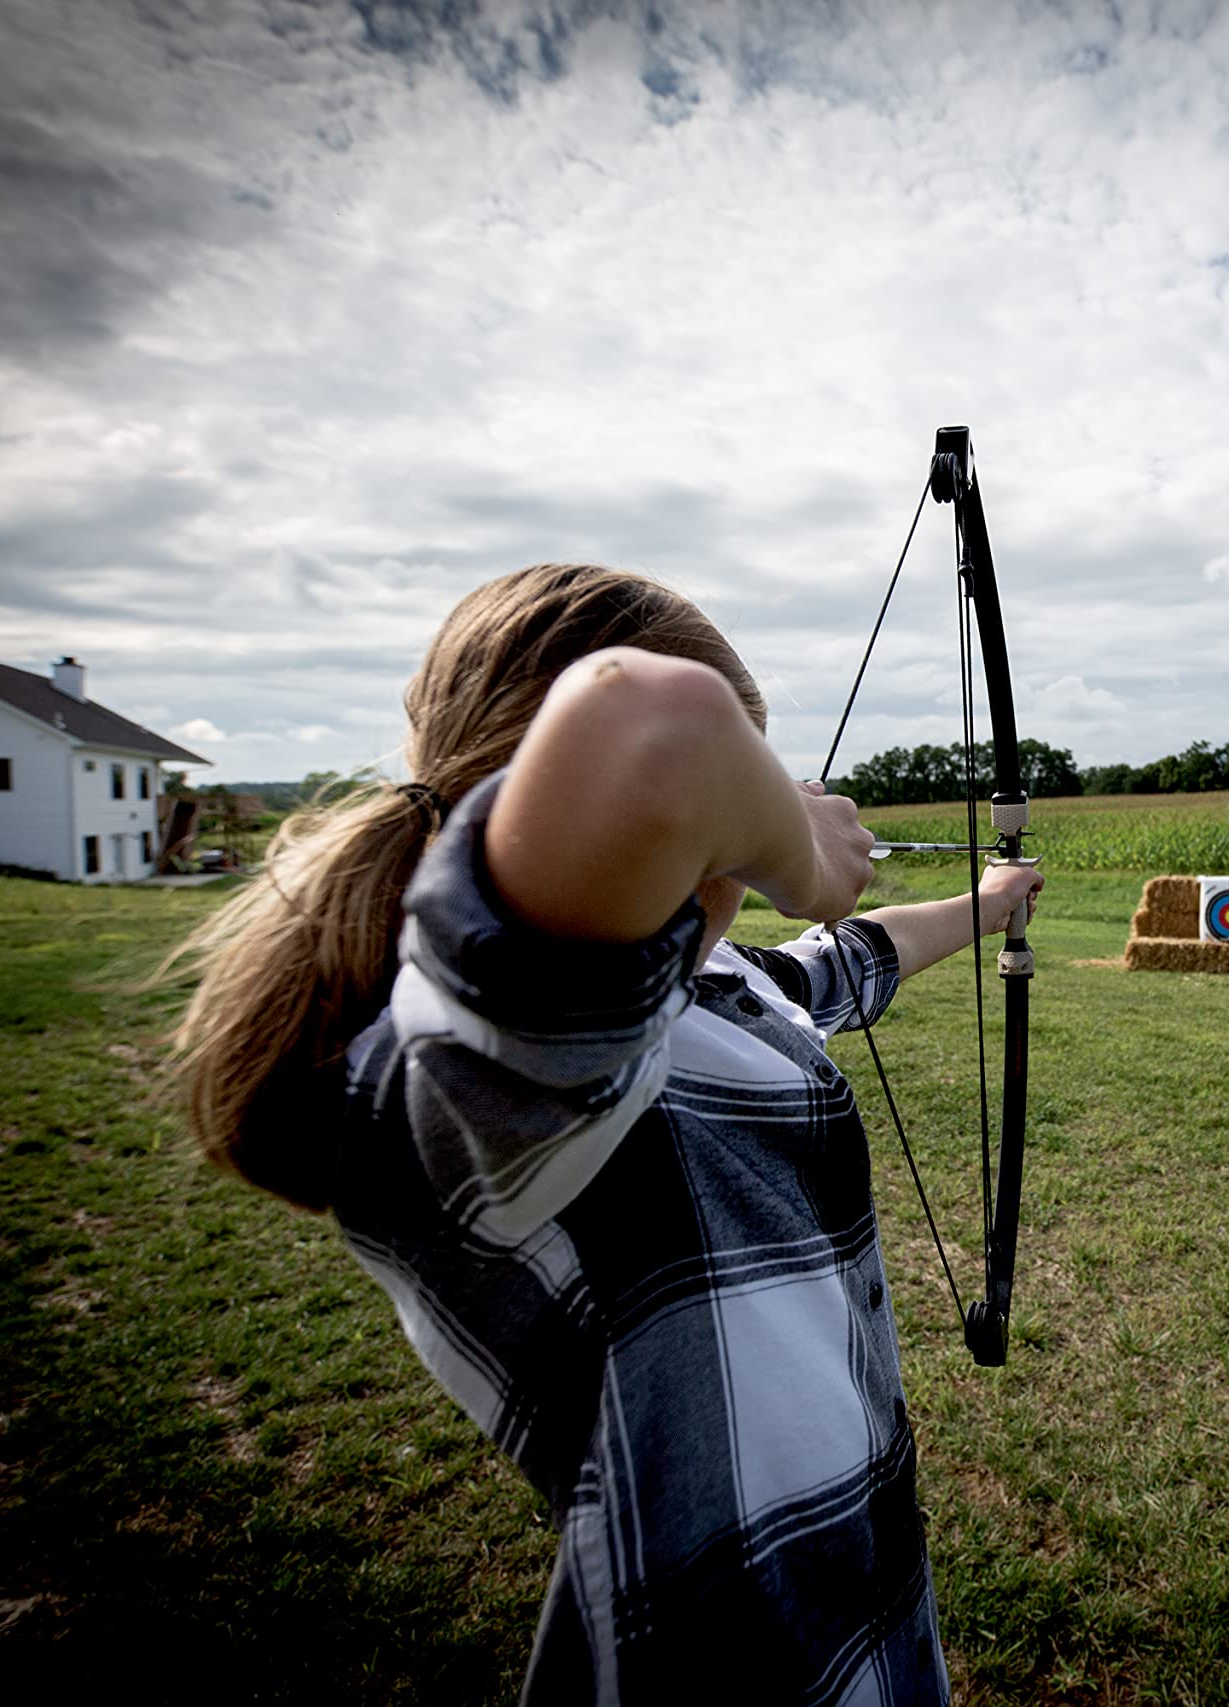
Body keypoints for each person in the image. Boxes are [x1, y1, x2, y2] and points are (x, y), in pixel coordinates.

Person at [167, 562, 1041, 1702]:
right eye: (745, 786)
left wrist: (988, 902)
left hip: (861, 1613)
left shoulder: (707, 986)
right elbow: (653, 726)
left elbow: (840, 965)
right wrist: (800, 856)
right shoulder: (480, 1073)